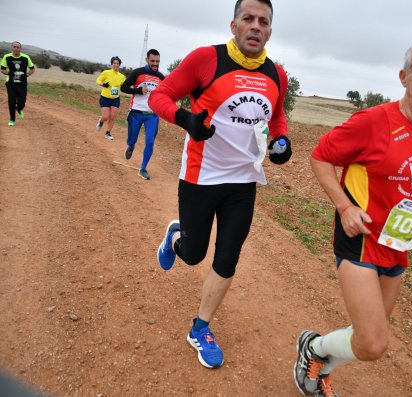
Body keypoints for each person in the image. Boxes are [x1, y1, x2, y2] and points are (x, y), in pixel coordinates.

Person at [293, 39, 412, 397]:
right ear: (404, 76)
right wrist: (345, 207)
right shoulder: (374, 121)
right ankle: (313, 350)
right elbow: (320, 156)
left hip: (398, 245)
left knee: (366, 338)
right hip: (360, 239)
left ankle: (315, 361)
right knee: (375, 344)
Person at [148, 0, 291, 369]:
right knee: (194, 254)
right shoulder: (205, 60)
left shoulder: (277, 74)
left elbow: (276, 117)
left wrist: (282, 143)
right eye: (248, 19)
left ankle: (201, 328)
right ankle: (175, 236)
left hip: (244, 181)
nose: (255, 26)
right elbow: (158, 95)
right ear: (234, 25)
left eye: (263, 21)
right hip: (201, 176)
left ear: (270, 31)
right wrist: (186, 120)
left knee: (228, 258)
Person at [120, 49, 165, 180]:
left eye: (157, 61)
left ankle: (143, 168)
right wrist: (138, 90)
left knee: (150, 141)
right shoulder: (137, 73)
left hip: (152, 114)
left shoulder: (161, 77)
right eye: (152, 61)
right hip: (136, 112)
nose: (155, 64)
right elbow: (124, 87)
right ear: (147, 60)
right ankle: (131, 146)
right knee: (132, 139)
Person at [1, 41, 35, 126]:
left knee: (22, 103)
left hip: (22, 83)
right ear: (12, 48)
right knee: (11, 102)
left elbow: (32, 69)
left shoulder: (26, 57)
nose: (16, 49)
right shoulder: (6, 57)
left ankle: (19, 109)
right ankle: (12, 120)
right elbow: (2, 69)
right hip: (10, 83)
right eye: (14, 47)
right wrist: (10, 73)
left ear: (20, 49)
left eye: (18, 47)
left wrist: (26, 75)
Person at [96, 56, 126, 140]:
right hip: (105, 98)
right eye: (114, 63)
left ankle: (108, 133)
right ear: (112, 64)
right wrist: (103, 84)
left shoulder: (122, 76)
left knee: (112, 116)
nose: (116, 65)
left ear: (119, 65)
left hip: (115, 99)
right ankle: (101, 121)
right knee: (105, 117)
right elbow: (98, 80)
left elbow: (124, 86)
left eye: (117, 63)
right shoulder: (106, 72)